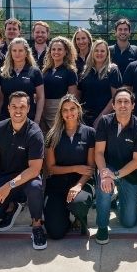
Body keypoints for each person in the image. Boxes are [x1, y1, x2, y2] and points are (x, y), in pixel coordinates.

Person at [0, 91, 47, 249]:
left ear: (28, 108)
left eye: (22, 106)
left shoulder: (35, 132)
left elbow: (35, 170)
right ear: (8, 108)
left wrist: (8, 186)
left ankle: (37, 225)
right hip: (5, 177)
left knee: (36, 187)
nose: (18, 110)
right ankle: (12, 206)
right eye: (14, 106)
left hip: (27, 178)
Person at [93, 87, 137, 244]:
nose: (122, 105)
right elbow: (98, 153)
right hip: (108, 167)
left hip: (129, 173)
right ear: (113, 105)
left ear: (133, 105)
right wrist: (104, 173)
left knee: (129, 222)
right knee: (104, 187)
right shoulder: (105, 122)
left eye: (126, 102)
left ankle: (118, 201)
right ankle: (102, 226)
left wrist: (116, 175)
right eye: (119, 101)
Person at [43, 95, 95, 240]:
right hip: (57, 184)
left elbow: (90, 168)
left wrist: (78, 185)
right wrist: (75, 168)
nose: (69, 113)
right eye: (64, 110)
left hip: (81, 182)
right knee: (55, 233)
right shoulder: (52, 135)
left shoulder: (89, 133)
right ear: (60, 113)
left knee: (78, 204)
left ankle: (80, 216)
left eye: (72, 108)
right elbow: (51, 168)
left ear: (78, 110)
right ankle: (64, 215)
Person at [0, 37, 44, 123]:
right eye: (14, 50)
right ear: (10, 53)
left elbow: (40, 98)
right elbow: (0, 99)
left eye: (20, 50)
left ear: (26, 53)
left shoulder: (35, 72)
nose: (17, 53)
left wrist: (37, 120)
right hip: (6, 119)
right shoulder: (3, 72)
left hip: (28, 120)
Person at [77, 39, 123, 126]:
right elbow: (79, 94)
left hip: (106, 118)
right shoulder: (85, 70)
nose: (99, 53)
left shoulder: (113, 70)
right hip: (85, 118)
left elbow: (115, 97)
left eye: (102, 51)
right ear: (92, 52)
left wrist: (100, 118)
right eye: (96, 51)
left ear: (107, 53)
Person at [40, 36, 79, 131]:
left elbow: (72, 97)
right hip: (42, 109)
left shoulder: (70, 71)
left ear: (66, 52)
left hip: (58, 110)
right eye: (53, 49)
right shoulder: (45, 70)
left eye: (59, 49)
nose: (56, 52)